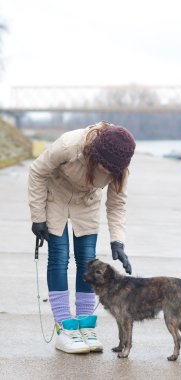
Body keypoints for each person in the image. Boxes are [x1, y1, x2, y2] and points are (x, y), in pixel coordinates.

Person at [28, 121, 136, 354]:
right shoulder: (69, 145)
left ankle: (85, 325)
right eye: (104, 166)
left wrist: (118, 240)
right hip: (55, 196)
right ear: (94, 152)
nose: (107, 172)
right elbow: (37, 171)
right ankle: (65, 328)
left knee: (88, 261)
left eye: (112, 170)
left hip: (86, 203)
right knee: (59, 257)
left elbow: (117, 204)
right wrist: (37, 217)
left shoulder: (120, 167)